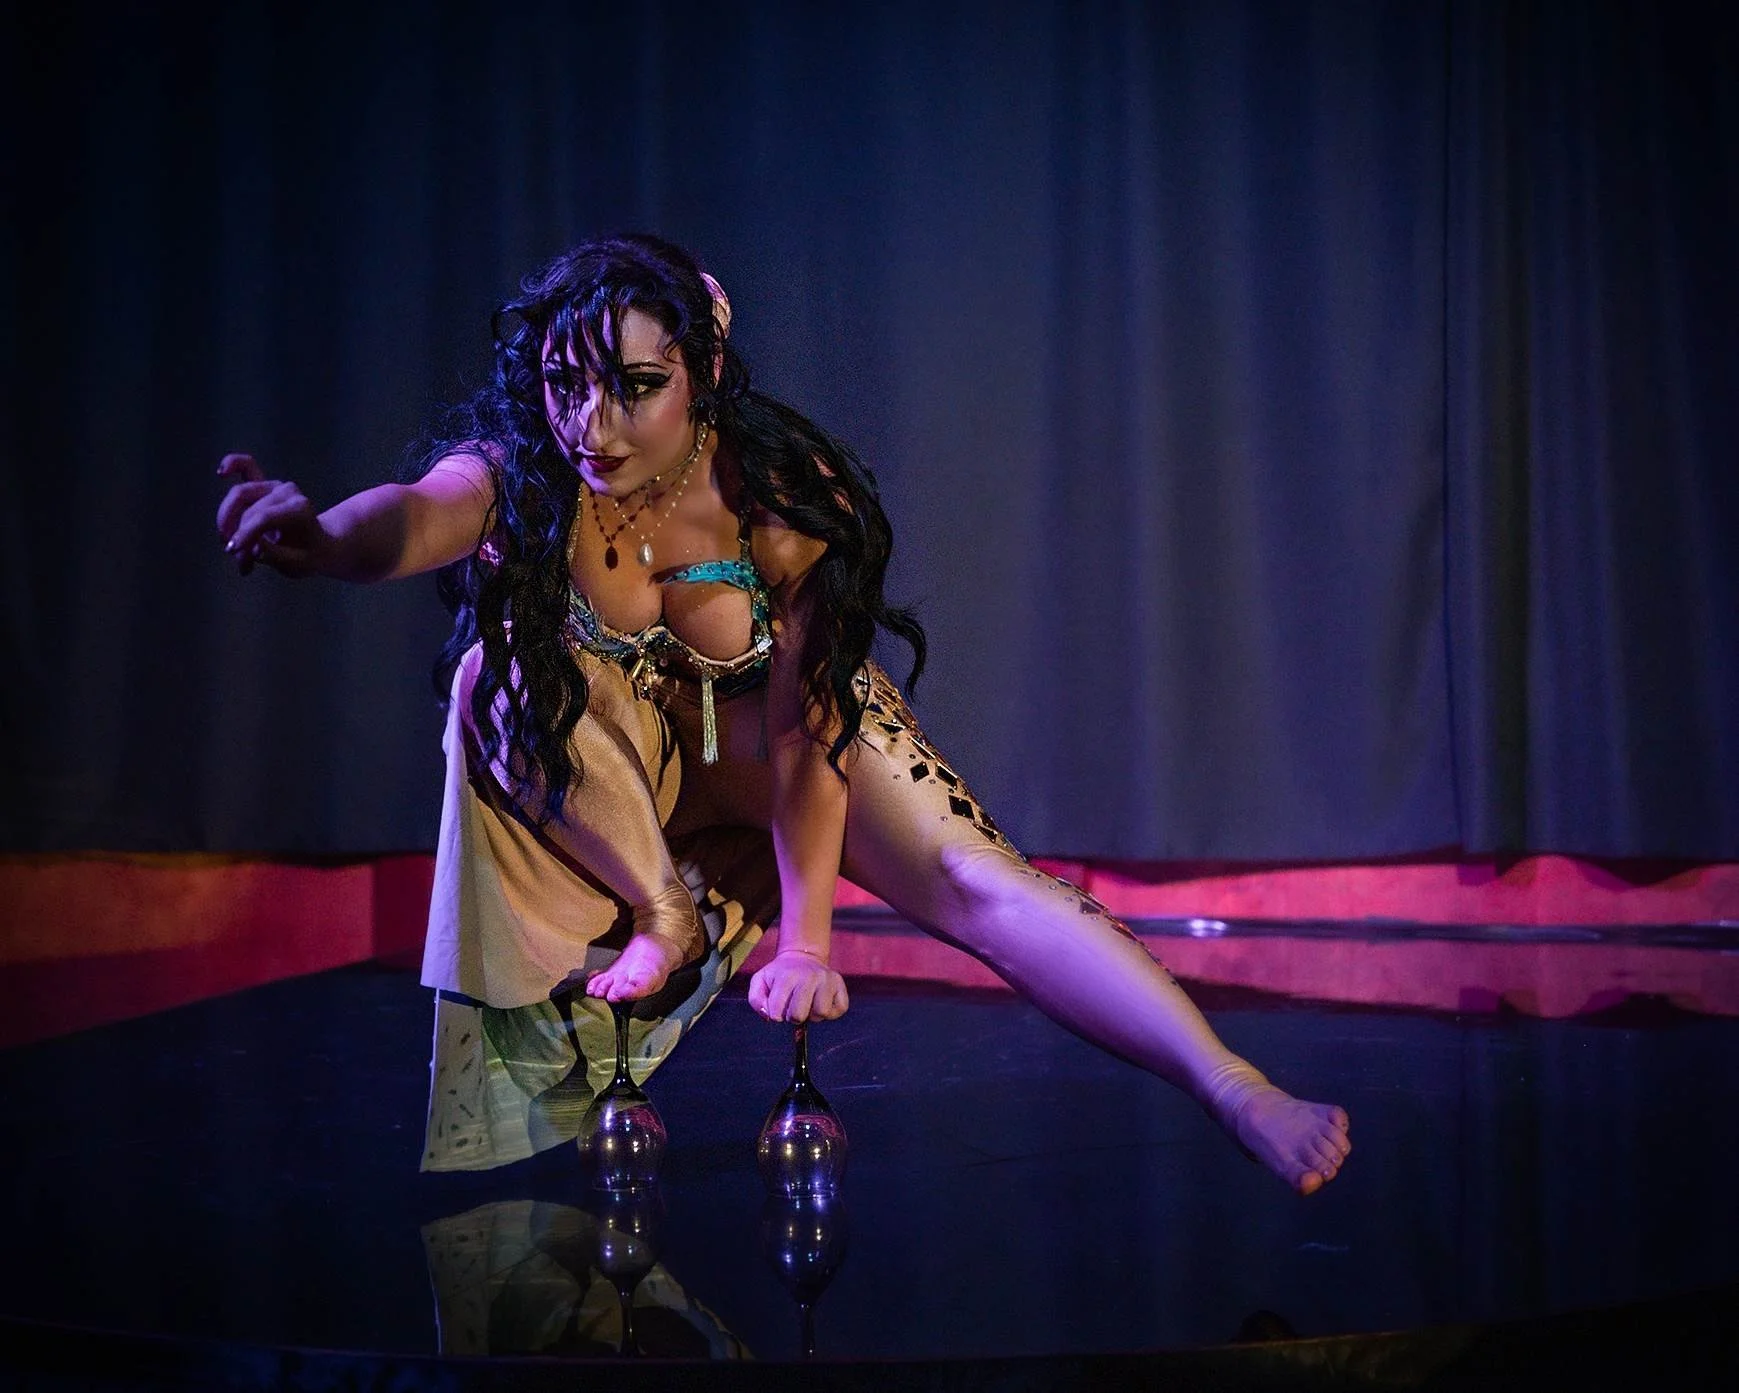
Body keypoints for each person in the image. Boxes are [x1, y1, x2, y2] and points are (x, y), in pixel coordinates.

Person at [215, 233, 1351, 1191]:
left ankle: (1234, 1084)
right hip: (624, 792)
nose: (591, 424)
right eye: (567, 384)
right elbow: (415, 515)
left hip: (781, 747)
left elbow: (815, 729)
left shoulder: (779, 495)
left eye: (633, 385)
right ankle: (665, 910)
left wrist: (809, 936)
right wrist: (320, 539)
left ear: (701, 370)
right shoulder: (531, 470)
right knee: (488, 676)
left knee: (977, 881)